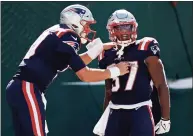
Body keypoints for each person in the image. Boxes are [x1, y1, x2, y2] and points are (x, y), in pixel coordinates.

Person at [5, 5, 129, 136]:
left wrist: (99, 48)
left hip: (22, 87)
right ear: (74, 22)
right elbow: (85, 74)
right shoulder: (68, 35)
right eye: (86, 25)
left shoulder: (59, 32)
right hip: (28, 88)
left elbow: (75, 63)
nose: (88, 30)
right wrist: (116, 71)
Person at [93, 9, 171, 136]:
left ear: (134, 27)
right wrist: (104, 118)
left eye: (128, 27)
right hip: (115, 112)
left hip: (140, 110)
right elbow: (108, 91)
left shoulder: (145, 47)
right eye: (120, 27)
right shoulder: (106, 53)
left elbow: (161, 84)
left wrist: (165, 118)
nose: (124, 31)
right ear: (111, 30)